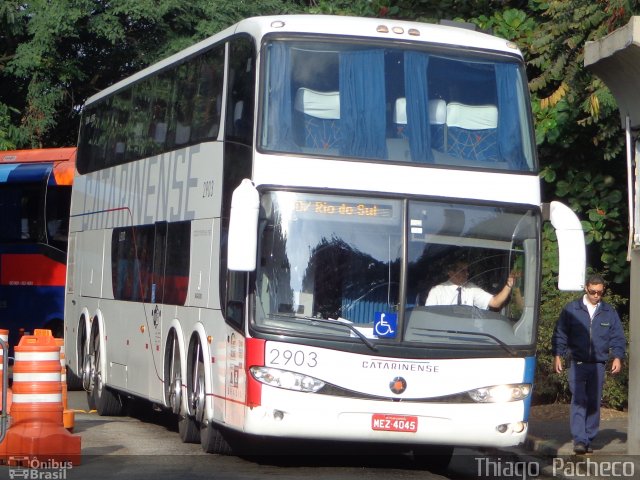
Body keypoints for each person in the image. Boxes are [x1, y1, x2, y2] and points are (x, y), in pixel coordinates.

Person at [552, 274, 626, 455]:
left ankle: (588, 438)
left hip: (598, 364)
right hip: (577, 362)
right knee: (579, 400)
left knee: (593, 402)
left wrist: (617, 356)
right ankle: (579, 439)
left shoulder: (609, 312)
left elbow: (617, 336)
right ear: (586, 288)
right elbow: (560, 333)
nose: (596, 296)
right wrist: (557, 354)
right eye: (593, 292)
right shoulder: (572, 309)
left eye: (600, 292)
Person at [425, 259, 514, 309]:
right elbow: (429, 317)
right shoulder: (437, 291)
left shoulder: (471, 289)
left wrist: (508, 285)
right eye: (462, 271)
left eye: (467, 270)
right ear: (451, 273)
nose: (467, 274)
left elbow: (495, 303)